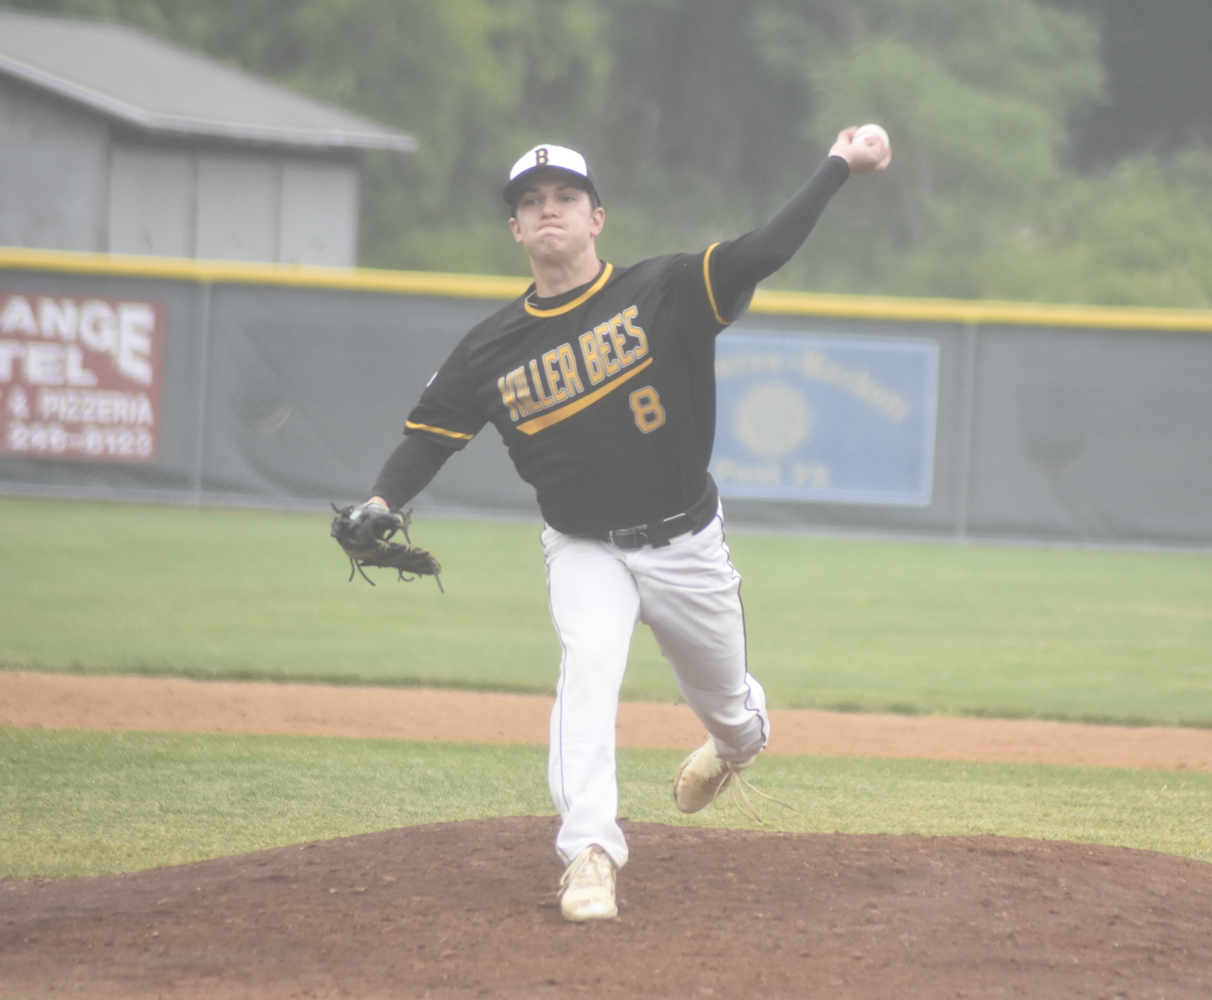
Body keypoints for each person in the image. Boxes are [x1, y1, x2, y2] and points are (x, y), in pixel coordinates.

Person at [352, 127, 890, 921]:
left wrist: (839, 163)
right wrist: (379, 504)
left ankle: (739, 740)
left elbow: (766, 249)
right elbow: (428, 438)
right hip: (582, 546)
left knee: (729, 710)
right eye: (530, 203)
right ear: (514, 229)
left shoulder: (666, 289)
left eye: (565, 197)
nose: (548, 212)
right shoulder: (488, 349)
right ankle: (590, 855)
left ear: (597, 216)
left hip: (684, 543)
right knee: (589, 661)